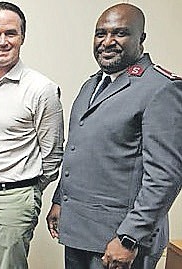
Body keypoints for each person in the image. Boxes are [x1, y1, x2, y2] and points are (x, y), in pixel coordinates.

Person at [46, 3, 182, 269]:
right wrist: (60, 200)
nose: (107, 42)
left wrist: (129, 237)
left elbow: (165, 176)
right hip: (79, 232)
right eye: (100, 34)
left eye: (120, 33)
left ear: (141, 38)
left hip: (118, 241)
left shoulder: (160, 90)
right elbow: (79, 150)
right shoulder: (91, 86)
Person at [0, 2, 64, 268]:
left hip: (14, 199)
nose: (2, 41)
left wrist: (26, 191)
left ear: (23, 37)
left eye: (11, 33)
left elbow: (52, 154)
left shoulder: (42, 89)